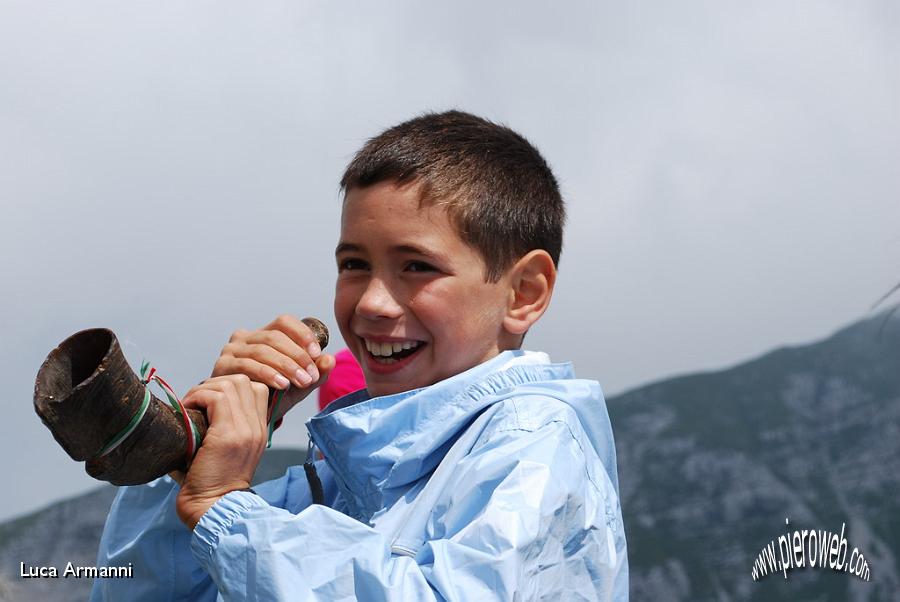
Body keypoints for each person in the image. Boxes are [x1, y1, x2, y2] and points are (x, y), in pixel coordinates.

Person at [91, 111, 629, 601]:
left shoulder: (534, 444)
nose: (371, 303)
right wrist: (191, 458)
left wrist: (226, 509)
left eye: (417, 267)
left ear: (524, 293)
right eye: (353, 264)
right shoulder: (331, 482)